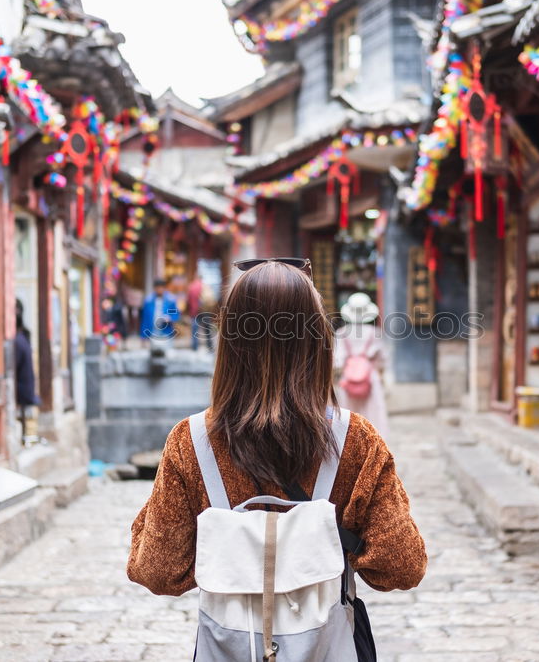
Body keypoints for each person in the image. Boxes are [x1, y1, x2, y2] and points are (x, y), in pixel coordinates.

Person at [127, 258, 426, 658]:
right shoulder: (355, 442)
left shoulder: (192, 442)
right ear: (319, 341)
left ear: (229, 345)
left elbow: (157, 570)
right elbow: (401, 566)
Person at [335, 293, 389, 438]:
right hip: (370, 378)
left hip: (349, 378)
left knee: (349, 415)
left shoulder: (341, 333)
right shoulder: (375, 333)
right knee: (372, 413)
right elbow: (382, 359)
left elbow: (338, 361)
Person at [14, 299, 40, 444]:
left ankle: (25, 437)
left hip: (23, 389)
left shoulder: (19, 340)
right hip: (26, 387)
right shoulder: (23, 336)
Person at [139, 279, 179, 344]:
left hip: (166, 332)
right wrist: (143, 336)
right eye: (158, 288)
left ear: (164, 288)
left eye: (161, 288)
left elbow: (175, 314)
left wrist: (169, 318)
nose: (160, 290)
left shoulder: (170, 300)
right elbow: (145, 319)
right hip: (152, 332)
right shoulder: (149, 301)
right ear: (155, 288)